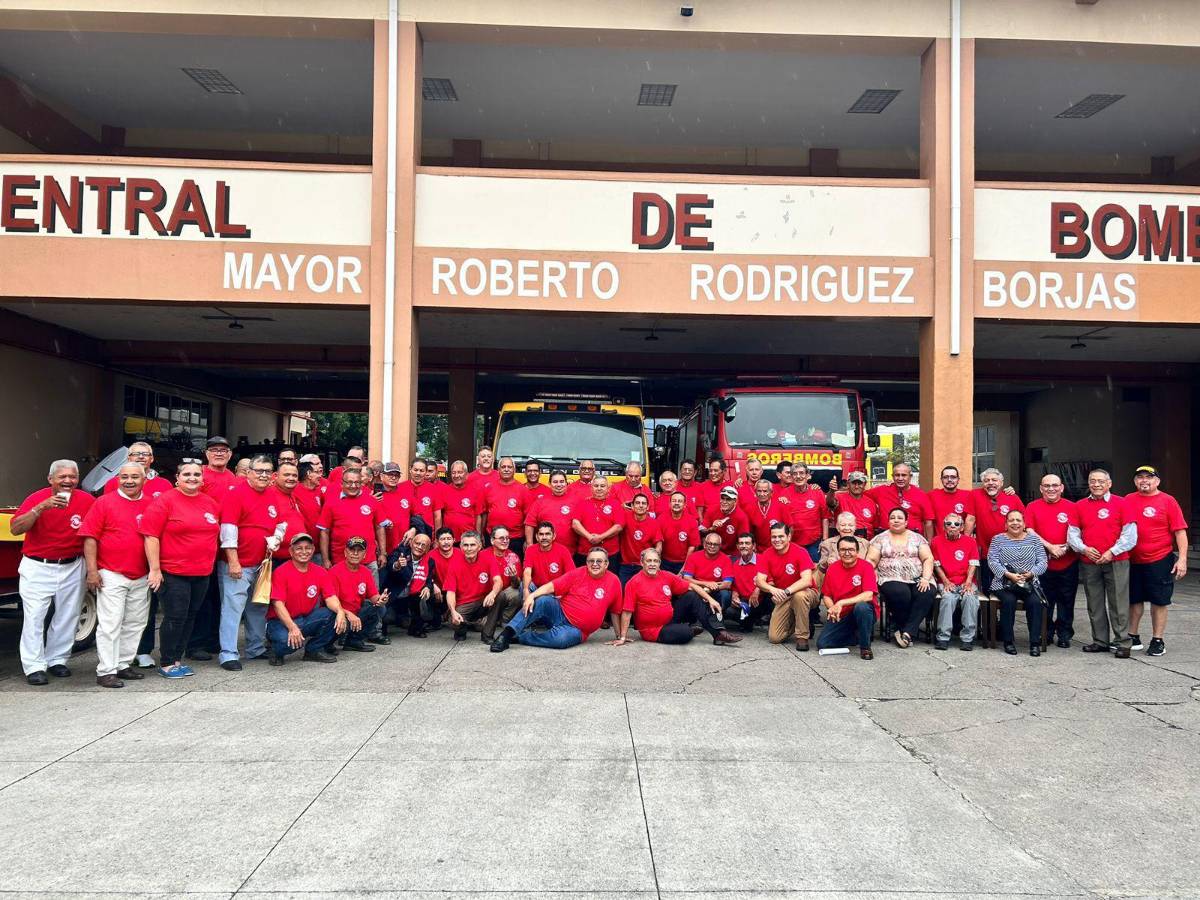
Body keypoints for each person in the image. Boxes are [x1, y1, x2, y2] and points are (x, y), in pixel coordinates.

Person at [11, 459, 95, 685]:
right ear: (51, 479)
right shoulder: (36, 498)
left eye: (72, 477)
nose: (68, 481)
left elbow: (93, 535)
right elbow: (16, 528)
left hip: (72, 564)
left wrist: (92, 569)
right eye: (62, 477)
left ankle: (57, 659)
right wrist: (40, 508)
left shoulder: (87, 500)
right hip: (38, 566)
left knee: (68, 615)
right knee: (35, 616)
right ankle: (34, 666)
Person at [139, 460, 221, 678]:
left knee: (191, 616)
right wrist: (155, 569)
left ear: (203, 479)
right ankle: (166, 662)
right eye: (187, 474)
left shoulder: (210, 503)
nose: (192, 478)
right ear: (177, 478)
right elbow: (151, 536)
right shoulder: (165, 501)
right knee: (175, 617)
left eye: (196, 474)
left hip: (202, 572)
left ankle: (177, 659)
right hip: (173, 572)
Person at [80, 462, 153, 687]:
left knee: (135, 623)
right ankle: (106, 670)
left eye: (134, 477)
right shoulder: (103, 502)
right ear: (118, 479)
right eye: (124, 477)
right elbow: (90, 537)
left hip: (141, 574)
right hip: (111, 572)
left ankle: (122, 664)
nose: (129, 481)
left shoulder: (152, 504)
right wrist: (92, 571)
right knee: (110, 624)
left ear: (144, 479)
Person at [217, 454, 284, 671]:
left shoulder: (272, 495)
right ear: (249, 472)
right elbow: (228, 530)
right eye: (259, 471)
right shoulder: (236, 495)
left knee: (257, 607)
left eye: (267, 471)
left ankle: (255, 648)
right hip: (239, 563)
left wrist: (277, 538)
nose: (263, 475)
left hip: (262, 563)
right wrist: (233, 561)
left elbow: (280, 523)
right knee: (233, 608)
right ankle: (228, 653)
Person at [489, 547, 621, 651]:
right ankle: (506, 634)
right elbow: (551, 587)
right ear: (586, 562)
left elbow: (615, 611)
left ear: (606, 564)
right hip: (559, 612)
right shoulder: (578, 573)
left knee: (561, 640)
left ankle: (522, 637)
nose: (595, 564)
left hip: (577, 630)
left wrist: (620, 636)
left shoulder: (614, 581)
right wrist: (531, 596)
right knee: (542, 601)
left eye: (599, 561)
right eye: (591, 561)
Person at [611, 548, 742, 646]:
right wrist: (622, 637)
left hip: (671, 618)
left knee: (692, 595)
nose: (652, 564)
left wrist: (711, 600)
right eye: (649, 561)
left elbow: (691, 585)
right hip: (653, 630)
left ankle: (718, 634)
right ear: (642, 562)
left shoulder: (666, 575)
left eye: (655, 561)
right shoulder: (633, 583)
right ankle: (689, 630)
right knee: (685, 634)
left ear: (659, 563)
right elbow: (627, 612)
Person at [1070, 468, 1136, 657]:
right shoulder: (1079, 505)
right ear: (1088, 483)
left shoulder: (1122, 503)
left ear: (1109, 483)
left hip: (1117, 560)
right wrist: (1084, 549)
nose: (1096, 485)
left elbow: (1130, 535)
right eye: (1093, 481)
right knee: (1094, 601)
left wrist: (1111, 551)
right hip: (1089, 561)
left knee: (1119, 602)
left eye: (1100, 481)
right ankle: (1100, 640)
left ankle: (1123, 642)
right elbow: (1073, 533)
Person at [1124, 465, 1187, 657]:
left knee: (1159, 601)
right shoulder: (1127, 500)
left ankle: (1157, 640)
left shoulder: (1168, 501)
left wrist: (1183, 559)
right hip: (1133, 560)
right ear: (1135, 481)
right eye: (1140, 477)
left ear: (1157, 481)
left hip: (1159, 559)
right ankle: (1132, 636)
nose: (1144, 480)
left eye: (1149, 477)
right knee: (1134, 600)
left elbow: (1180, 531)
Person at [265, 534, 343, 665]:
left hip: (306, 618)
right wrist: (292, 627)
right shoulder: (281, 572)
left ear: (313, 550)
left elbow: (330, 597)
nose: (304, 552)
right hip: (280, 622)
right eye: (299, 548)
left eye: (307, 548)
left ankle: (313, 650)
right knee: (287, 643)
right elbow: (278, 604)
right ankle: (275, 649)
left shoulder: (320, 572)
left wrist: (340, 611)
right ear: (291, 551)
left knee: (335, 615)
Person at [867, 508, 937, 648]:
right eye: (892, 517)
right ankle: (908, 628)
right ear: (888, 521)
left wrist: (925, 577)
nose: (896, 520)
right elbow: (871, 560)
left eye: (900, 518)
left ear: (906, 521)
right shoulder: (880, 539)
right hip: (890, 577)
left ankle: (906, 631)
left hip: (918, 577)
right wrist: (873, 574)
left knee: (927, 591)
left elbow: (928, 558)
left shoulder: (918, 538)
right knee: (901, 592)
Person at [1024, 473, 1080, 649]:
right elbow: (1029, 530)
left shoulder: (1073, 507)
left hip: (1067, 561)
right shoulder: (1032, 507)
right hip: (1042, 564)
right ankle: (1045, 633)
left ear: (1061, 488)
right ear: (1041, 488)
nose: (1051, 489)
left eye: (1055, 485)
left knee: (1066, 600)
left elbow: (1078, 532)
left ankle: (1064, 634)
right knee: (1044, 600)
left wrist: (1064, 549)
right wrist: (1050, 547)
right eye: (1047, 486)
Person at [988, 509, 1050, 656]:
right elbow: (992, 561)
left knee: (1035, 603)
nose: (1015, 523)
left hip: (1029, 582)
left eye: (1018, 520)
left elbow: (1043, 561)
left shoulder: (1034, 540)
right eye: (1011, 520)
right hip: (1004, 583)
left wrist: (1030, 573)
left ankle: (1035, 643)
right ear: (1006, 524)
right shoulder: (997, 539)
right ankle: (1008, 641)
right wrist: (1009, 575)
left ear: (1024, 524)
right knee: (1008, 601)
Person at [756, 522, 819, 651]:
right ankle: (802, 621)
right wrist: (773, 590)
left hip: (806, 593)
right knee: (775, 638)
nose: (777, 540)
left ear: (789, 537)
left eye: (781, 536)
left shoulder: (800, 551)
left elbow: (807, 580)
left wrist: (786, 591)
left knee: (799, 596)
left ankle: (802, 637)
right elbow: (760, 581)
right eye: (774, 537)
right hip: (783, 595)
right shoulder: (767, 554)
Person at [443, 530, 513, 643]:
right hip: (464, 604)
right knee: (453, 621)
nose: (469, 548)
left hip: (483, 601)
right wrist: (452, 611)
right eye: (465, 545)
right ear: (460, 546)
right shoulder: (454, 563)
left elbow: (498, 581)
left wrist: (492, 594)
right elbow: (450, 592)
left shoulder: (488, 558)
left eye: (472, 545)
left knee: (501, 596)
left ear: (479, 546)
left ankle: (487, 635)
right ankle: (462, 630)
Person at [816, 536, 879, 660]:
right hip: (842, 614)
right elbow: (827, 595)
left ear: (857, 551)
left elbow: (868, 595)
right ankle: (856, 634)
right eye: (843, 550)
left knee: (861, 607)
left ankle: (865, 647)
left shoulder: (866, 566)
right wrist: (832, 607)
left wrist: (841, 603)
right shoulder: (832, 568)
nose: (847, 553)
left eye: (851, 550)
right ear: (838, 552)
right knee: (822, 643)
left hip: (864, 612)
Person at [317, 467, 388, 571]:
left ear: (361, 483)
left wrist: (382, 553)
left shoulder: (372, 501)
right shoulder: (331, 503)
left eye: (357, 482)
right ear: (342, 484)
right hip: (341, 561)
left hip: (368, 560)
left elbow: (379, 527)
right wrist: (325, 559)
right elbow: (324, 532)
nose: (353, 486)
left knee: (371, 587)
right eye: (349, 482)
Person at [326, 536, 389, 651]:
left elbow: (374, 597)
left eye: (359, 550)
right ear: (345, 552)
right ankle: (329, 642)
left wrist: (382, 599)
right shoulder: (334, 572)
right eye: (352, 550)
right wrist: (348, 614)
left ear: (364, 555)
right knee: (331, 616)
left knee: (380, 608)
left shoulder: (366, 572)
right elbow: (330, 602)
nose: (355, 553)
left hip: (357, 612)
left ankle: (353, 641)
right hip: (338, 613)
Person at [930, 513, 979, 651]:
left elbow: (973, 563)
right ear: (944, 526)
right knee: (948, 598)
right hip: (945, 580)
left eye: (956, 524)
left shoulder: (970, 542)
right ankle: (943, 637)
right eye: (949, 524)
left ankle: (967, 638)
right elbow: (936, 564)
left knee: (970, 598)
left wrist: (968, 582)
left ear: (962, 527)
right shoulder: (936, 541)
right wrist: (945, 582)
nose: (952, 527)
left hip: (966, 580)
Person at [972, 468, 1025, 595]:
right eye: (987, 480)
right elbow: (969, 520)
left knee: (1009, 589)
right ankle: (989, 615)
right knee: (987, 587)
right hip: (986, 552)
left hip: (1010, 553)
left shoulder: (1012, 497)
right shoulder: (974, 495)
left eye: (994, 480)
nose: (990, 483)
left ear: (1001, 483)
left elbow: (1024, 521)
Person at [382, 532, 437, 637]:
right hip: (394, 594)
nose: (419, 547)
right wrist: (397, 565)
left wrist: (427, 587)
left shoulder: (429, 561)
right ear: (411, 543)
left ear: (427, 549)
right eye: (417, 543)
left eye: (423, 545)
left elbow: (429, 579)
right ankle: (382, 629)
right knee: (388, 618)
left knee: (424, 593)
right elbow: (390, 565)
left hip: (411, 595)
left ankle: (415, 628)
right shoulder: (401, 552)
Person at [867, 463, 934, 538]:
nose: (900, 478)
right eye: (897, 475)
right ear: (892, 476)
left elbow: (928, 523)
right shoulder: (881, 491)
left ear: (910, 476)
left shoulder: (921, 495)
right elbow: (859, 494)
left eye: (904, 475)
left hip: (913, 539)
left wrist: (929, 544)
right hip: (886, 538)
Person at [483, 457, 529, 556]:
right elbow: (484, 514)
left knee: (514, 568)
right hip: (492, 537)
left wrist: (528, 541)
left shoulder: (523, 490)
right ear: (498, 470)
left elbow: (528, 518)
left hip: (515, 539)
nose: (506, 469)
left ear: (514, 470)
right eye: (503, 467)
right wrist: (480, 534)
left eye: (509, 467)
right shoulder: (489, 487)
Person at [571, 477, 621, 567]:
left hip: (610, 553)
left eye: (602, 486)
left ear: (608, 488)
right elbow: (575, 524)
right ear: (591, 487)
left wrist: (601, 537)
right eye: (596, 486)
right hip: (585, 552)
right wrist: (589, 537)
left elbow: (618, 526)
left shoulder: (615, 503)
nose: (599, 488)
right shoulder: (582, 503)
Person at [785, 463, 830, 561]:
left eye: (801, 473)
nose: (798, 476)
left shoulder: (817, 492)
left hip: (814, 544)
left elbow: (825, 517)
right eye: (795, 474)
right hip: (792, 544)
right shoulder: (784, 494)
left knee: (816, 572)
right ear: (791, 477)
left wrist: (825, 541)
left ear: (808, 476)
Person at [682, 532, 734, 612]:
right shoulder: (693, 557)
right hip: (697, 587)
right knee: (689, 593)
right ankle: (694, 619)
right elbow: (686, 579)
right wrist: (706, 584)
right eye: (709, 543)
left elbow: (727, 584)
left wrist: (710, 588)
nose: (712, 546)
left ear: (720, 546)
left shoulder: (726, 559)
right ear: (704, 544)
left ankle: (719, 615)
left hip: (716, 589)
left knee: (725, 595)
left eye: (715, 544)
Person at [617, 493, 661, 586]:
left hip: (644, 565)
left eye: (643, 503)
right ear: (632, 506)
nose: (641, 505)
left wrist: (653, 562)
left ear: (648, 507)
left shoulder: (654, 523)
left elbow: (659, 545)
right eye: (637, 503)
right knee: (623, 590)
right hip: (625, 565)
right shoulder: (625, 517)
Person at [524, 470, 575, 550]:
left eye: (561, 481)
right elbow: (529, 524)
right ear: (549, 484)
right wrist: (529, 544)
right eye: (555, 482)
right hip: (544, 550)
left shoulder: (575, 501)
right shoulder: (540, 501)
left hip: (570, 551)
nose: (558, 485)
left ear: (566, 483)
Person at [102, 442, 173, 499]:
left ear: (151, 459)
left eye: (145, 454)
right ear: (129, 458)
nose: (141, 457)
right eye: (136, 454)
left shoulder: (165, 484)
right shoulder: (113, 483)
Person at [522, 521, 575, 596]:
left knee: (543, 600)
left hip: (554, 591)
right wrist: (526, 590)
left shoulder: (563, 550)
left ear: (554, 536)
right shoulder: (531, 550)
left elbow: (571, 575)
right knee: (523, 585)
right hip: (536, 589)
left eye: (547, 534)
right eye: (541, 534)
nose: (544, 537)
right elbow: (527, 571)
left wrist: (563, 593)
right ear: (536, 537)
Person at [729, 532, 768, 632]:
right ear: (737, 546)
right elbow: (734, 585)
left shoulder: (763, 559)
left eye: (747, 543)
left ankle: (761, 618)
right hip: (745, 601)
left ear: (754, 546)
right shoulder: (735, 564)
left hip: (762, 600)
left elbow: (773, 582)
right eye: (741, 543)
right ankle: (749, 620)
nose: (744, 546)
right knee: (729, 611)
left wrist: (758, 589)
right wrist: (735, 594)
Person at [438, 460, 483, 541]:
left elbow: (478, 516)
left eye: (460, 472)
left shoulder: (475, 491)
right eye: (453, 473)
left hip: (469, 538)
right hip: (449, 538)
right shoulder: (444, 491)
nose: (456, 475)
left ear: (466, 474)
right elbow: (439, 515)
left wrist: (479, 536)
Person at [488, 525, 524, 624]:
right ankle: (490, 619)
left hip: (504, 595)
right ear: (492, 540)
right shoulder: (483, 555)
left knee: (517, 594)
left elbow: (516, 585)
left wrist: (514, 577)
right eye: (501, 538)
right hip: (487, 595)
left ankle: (503, 619)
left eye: (507, 538)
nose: (505, 541)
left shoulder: (513, 557)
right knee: (480, 625)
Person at [825, 471, 879, 536]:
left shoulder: (871, 502)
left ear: (864, 484)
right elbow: (830, 503)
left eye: (860, 483)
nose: (856, 486)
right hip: (844, 539)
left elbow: (875, 526)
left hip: (866, 541)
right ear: (848, 484)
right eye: (853, 483)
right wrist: (832, 491)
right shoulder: (839, 497)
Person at [659, 491, 700, 575]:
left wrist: (684, 568)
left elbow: (692, 547)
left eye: (680, 501)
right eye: (674, 501)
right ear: (669, 504)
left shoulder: (692, 521)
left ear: (685, 505)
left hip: (684, 562)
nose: (676, 503)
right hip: (664, 561)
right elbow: (658, 543)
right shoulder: (661, 519)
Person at [929, 465, 976, 537]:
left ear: (958, 479)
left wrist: (966, 540)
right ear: (941, 479)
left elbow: (971, 520)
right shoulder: (932, 495)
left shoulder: (968, 495)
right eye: (945, 477)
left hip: (960, 541)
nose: (949, 480)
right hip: (939, 542)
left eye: (953, 477)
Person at [702, 485, 751, 554]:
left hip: (732, 553)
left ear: (735, 501)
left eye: (728, 499)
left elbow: (743, 540)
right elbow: (701, 532)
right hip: (713, 550)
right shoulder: (711, 510)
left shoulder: (741, 517)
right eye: (722, 498)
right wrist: (712, 528)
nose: (724, 502)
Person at [746, 479, 786, 552]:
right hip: (759, 550)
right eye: (759, 491)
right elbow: (749, 531)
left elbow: (790, 527)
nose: (762, 494)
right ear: (755, 492)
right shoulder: (749, 508)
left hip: (779, 548)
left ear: (771, 492)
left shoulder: (780, 505)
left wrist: (786, 543)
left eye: (765, 491)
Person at [293, 460, 327, 542]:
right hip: (302, 544)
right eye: (316, 472)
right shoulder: (294, 490)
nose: (320, 476)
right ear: (308, 474)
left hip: (319, 544)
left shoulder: (319, 491)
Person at [695, 458, 731, 522]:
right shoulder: (702, 487)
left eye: (716, 470)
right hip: (708, 527)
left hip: (727, 525)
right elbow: (699, 512)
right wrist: (704, 529)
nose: (712, 473)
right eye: (710, 471)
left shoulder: (731, 486)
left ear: (724, 471)